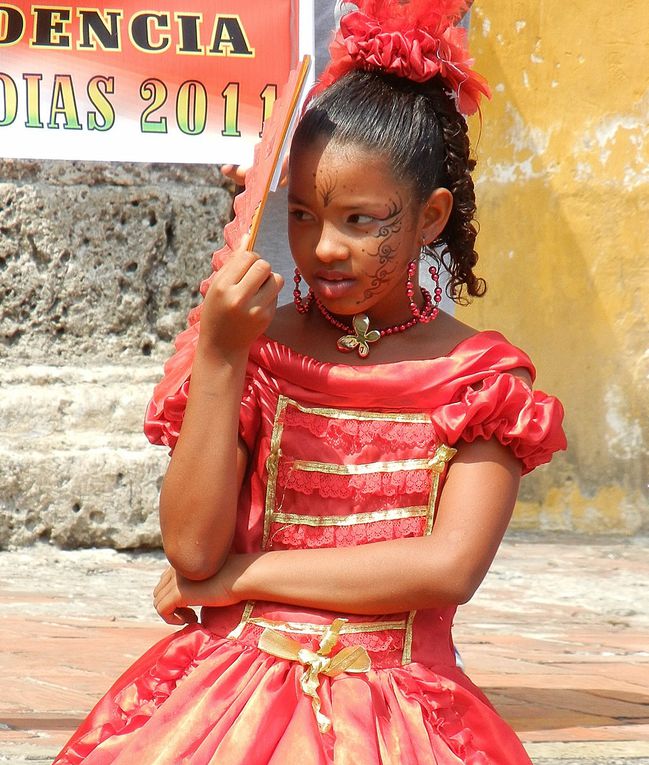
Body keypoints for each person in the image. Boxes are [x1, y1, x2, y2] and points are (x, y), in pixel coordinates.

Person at [53, 1, 566, 762]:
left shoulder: (480, 382)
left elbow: (446, 568)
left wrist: (246, 577)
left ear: (429, 217)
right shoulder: (254, 351)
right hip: (227, 695)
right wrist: (221, 355)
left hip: (398, 707)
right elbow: (192, 551)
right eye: (300, 214)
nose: (322, 248)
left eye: (361, 220)